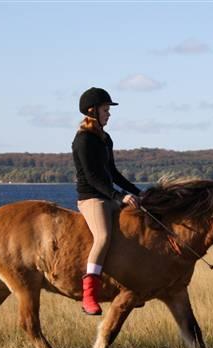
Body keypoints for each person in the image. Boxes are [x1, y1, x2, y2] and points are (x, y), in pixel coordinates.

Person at [73, 87, 141, 315]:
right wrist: (119, 196)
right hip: (92, 198)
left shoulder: (105, 139)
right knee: (102, 236)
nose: (109, 114)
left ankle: (130, 283)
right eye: (105, 109)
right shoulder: (83, 140)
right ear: (92, 111)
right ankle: (89, 295)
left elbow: (113, 173)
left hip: (108, 197)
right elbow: (93, 178)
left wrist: (138, 192)